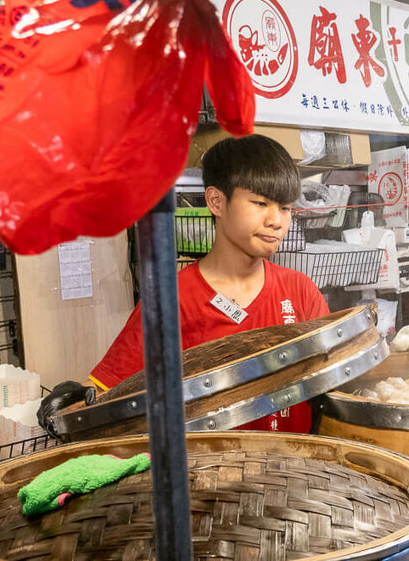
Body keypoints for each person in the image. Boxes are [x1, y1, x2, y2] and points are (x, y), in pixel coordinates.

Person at [37, 134, 329, 433]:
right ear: (216, 201)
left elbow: (332, 376)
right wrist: (74, 397)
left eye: (285, 208)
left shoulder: (300, 291)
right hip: (205, 461)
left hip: (293, 459)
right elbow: (109, 387)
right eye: (260, 203)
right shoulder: (171, 299)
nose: (276, 221)